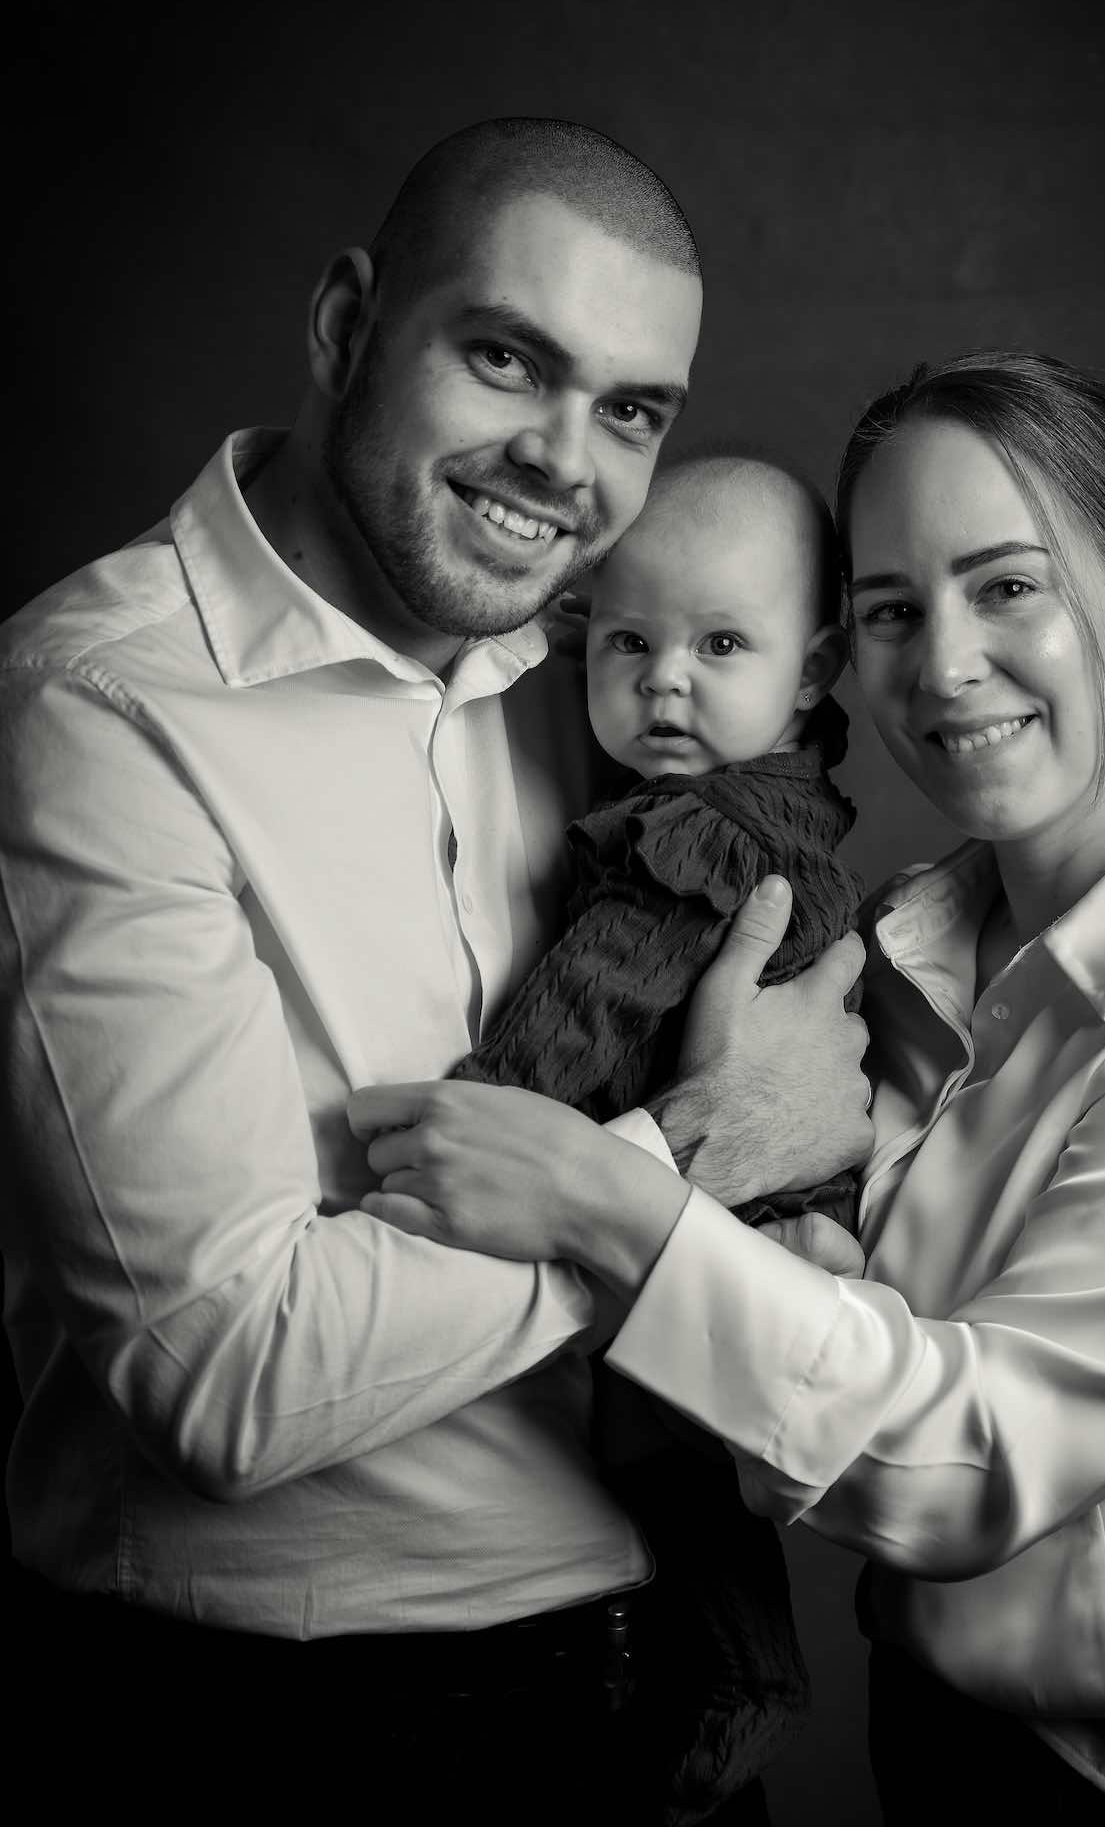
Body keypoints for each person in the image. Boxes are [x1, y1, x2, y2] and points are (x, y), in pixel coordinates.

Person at [0, 118, 872, 1821]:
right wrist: (686, 1160)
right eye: (505, 358)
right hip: (306, 1735)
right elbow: (221, 1381)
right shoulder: (98, 715)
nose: (563, 462)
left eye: (632, 411)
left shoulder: (598, 671)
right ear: (347, 327)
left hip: (670, 1678)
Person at [353, 351, 1105, 1826]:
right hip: (935, 1752)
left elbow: (958, 1467)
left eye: (1009, 588)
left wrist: (611, 1198)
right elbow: (826, 1361)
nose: (943, 666)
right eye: (891, 610)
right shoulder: (887, 962)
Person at [449, 451, 867, 1815]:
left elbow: (593, 1001)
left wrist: (487, 1108)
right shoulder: (773, 796)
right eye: (630, 642)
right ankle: (745, 1681)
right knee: (684, 1489)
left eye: (720, 646)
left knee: (672, 1478)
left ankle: (744, 1688)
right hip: (754, 1203)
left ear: (811, 671)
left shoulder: (701, 839)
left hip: (727, 1213)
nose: (665, 681)